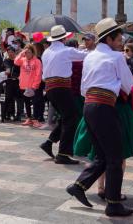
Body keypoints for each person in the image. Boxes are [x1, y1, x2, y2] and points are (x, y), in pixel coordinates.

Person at [66, 18, 133, 217]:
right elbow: (128, 85)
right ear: (110, 38)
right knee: (115, 156)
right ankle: (113, 204)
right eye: (119, 35)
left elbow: (83, 88)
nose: (122, 38)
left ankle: (79, 185)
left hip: (89, 105)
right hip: (104, 106)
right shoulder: (116, 57)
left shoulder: (90, 56)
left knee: (102, 156)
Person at [39, 25, 87, 165]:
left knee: (66, 117)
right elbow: (86, 56)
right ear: (64, 38)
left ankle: (49, 142)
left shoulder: (46, 52)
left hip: (50, 88)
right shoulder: (66, 51)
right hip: (61, 88)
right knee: (71, 118)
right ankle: (63, 153)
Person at [14, 44, 42, 126]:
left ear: (33, 53)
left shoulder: (37, 61)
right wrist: (22, 53)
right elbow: (16, 61)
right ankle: (29, 118)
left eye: (29, 52)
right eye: (26, 53)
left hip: (33, 86)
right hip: (24, 85)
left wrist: (35, 85)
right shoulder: (22, 60)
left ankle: (36, 119)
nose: (27, 54)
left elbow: (38, 74)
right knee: (26, 103)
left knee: (35, 102)